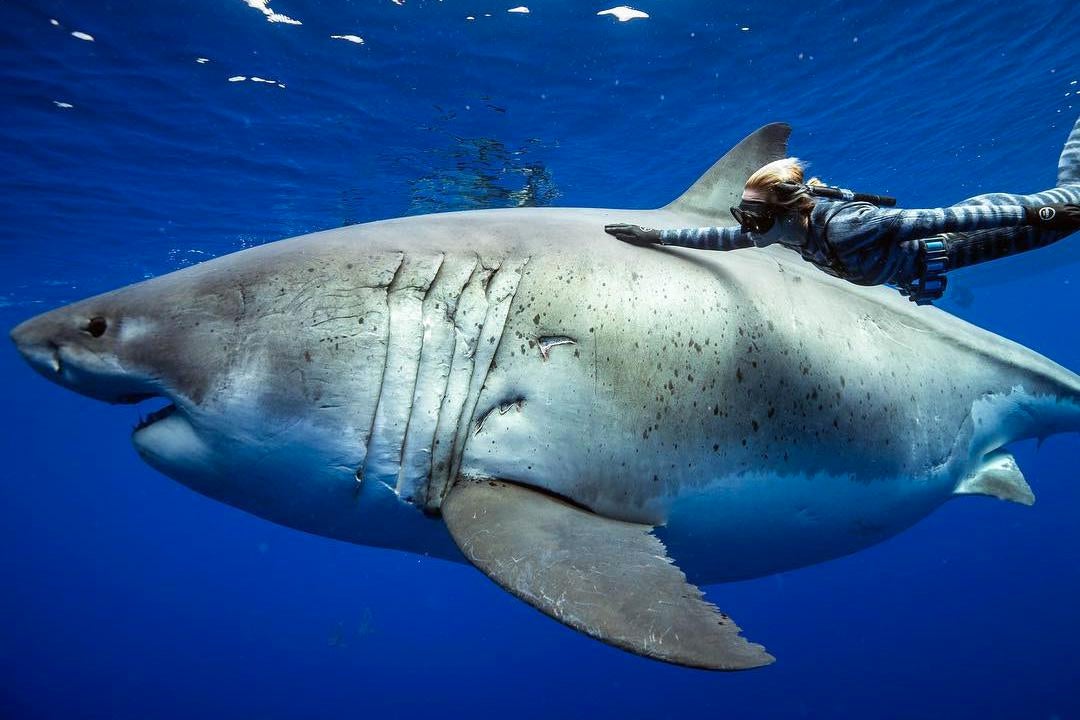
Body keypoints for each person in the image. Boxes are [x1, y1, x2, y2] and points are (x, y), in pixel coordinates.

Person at [605, 116, 1080, 304]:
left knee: (1070, 204)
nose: (748, 228)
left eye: (756, 217)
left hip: (973, 232)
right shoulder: (779, 231)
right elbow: (716, 239)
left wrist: (1038, 217)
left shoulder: (849, 227)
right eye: (745, 216)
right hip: (934, 254)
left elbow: (944, 219)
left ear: (790, 209)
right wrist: (657, 236)